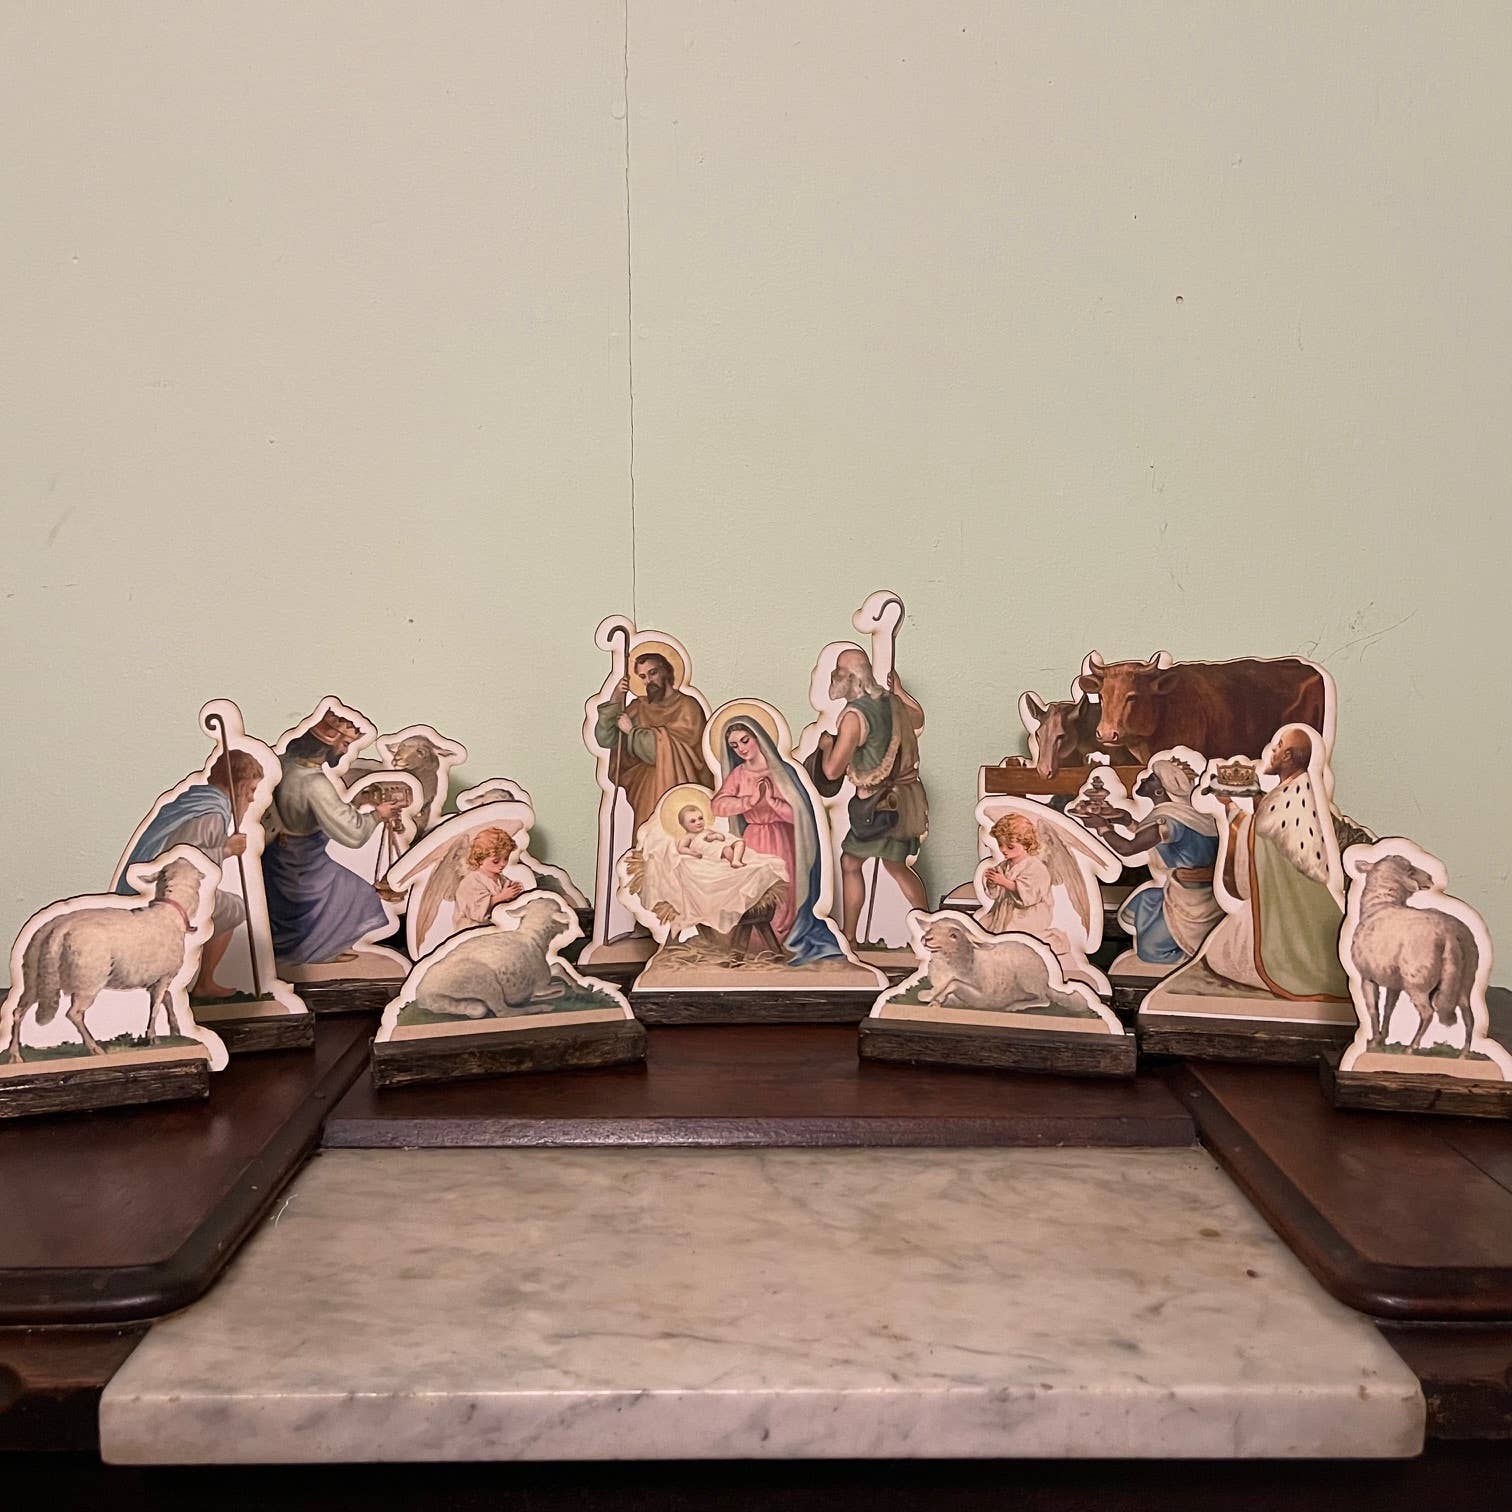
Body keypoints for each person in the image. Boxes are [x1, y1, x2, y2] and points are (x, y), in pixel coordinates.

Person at [1200, 726, 1349, 1001]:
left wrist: (1230, 809)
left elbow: (1263, 834)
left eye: (1278, 746)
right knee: (1223, 949)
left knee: (1228, 957)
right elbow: (1273, 822)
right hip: (1282, 899)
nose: (1272, 751)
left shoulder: (1296, 791)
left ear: (1288, 756)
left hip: (1285, 907)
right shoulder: (1294, 788)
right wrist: (1251, 799)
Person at [115, 749, 264, 998]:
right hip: (163, 891)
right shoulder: (210, 813)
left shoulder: (197, 802)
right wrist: (227, 849)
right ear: (238, 786)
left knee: (229, 905)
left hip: (166, 885)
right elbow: (185, 859)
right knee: (234, 908)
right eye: (250, 790)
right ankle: (203, 983)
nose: (251, 799)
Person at [263, 711, 407, 966]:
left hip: (278, 857)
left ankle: (318, 946)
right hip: (302, 865)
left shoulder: (285, 765)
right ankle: (315, 950)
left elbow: (318, 813)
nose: (345, 750)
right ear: (326, 743)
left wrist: (358, 801)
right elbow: (353, 833)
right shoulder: (315, 782)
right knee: (360, 895)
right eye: (344, 744)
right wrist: (378, 814)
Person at [810, 649, 928, 941]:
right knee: (895, 865)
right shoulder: (889, 702)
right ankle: (927, 925)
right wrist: (899, 692)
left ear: (853, 678)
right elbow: (916, 717)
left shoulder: (854, 717)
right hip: (901, 801)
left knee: (851, 863)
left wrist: (827, 746)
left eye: (840, 671)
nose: (834, 676)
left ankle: (850, 936)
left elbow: (833, 771)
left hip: (876, 804)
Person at [713, 718, 843, 966]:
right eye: (734, 746)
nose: (741, 749)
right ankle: (756, 947)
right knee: (754, 895)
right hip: (752, 841)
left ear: (759, 738)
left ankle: (781, 943)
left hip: (781, 840)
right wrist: (748, 802)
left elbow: (800, 815)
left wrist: (773, 803)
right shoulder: (739, 774)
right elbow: (717, 805)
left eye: (745, 741)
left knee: (783, 895)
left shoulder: (782, 772)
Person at [1080, 757, 1223, 966]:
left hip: (1191, 900)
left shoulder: (1170, 820)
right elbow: (1156, 839)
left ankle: (1195, 962)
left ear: (1159, 791)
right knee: (1142, 903)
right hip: (1191, 890)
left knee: (1150, 951)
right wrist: (1125, 820)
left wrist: (1102, 827)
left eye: (1152, 778)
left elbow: (1128, 849)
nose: (1144, 779)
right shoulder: (1185, 815)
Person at [594, 653, 710, 837]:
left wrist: (632, 732)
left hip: (678, 789)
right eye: (642, 676)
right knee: (648, 844)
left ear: (667, 671)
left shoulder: (688, 707)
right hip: (645, 791)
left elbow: (661, 751)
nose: (648, 681)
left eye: (653, 673)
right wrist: (616, 698)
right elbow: (606, 738)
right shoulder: (639, 707)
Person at [978, 813, 1071, 958]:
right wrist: (992, 883)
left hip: (1027, 914)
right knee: (983, 928)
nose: (1003, 850)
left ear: (1026, 844)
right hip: (1004, 912)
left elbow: (1029, 896)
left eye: (1010, 846)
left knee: (1015, 938)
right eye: (1000, 845)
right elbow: (995, 895)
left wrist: (1004, 882)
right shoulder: (1004, 865)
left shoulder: (1035, 867)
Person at [450, 827, 527, 930]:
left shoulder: (501, 879)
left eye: (506, 858)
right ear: (480, 859)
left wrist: (515, 890)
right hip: (471, 930)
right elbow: (476, 912)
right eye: (496, 861)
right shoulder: (471, 881)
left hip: (493, 927)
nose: (503, 864)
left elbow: (507, 901)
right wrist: (502, 897)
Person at [676, 806, 746, 868]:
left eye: (700, 818)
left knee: (740, 843)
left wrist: (715, 836)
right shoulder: (688, 836)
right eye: (693, 821)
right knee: (727, 849)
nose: (698, 822)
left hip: (722, 844)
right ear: (683, 825)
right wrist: (692, 853)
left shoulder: (707, 830)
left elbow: (722, 838)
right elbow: (681, 848)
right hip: (715, 850)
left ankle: (736, 860)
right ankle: (734, 861)